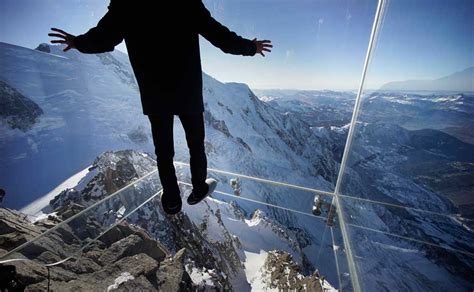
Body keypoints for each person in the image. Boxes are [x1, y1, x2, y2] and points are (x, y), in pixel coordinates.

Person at [49, 1, 272, 215]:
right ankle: (198, 189)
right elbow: (220, 36)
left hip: (155, 92)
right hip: (188, 89)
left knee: (164, 152)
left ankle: (172, 200)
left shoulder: (126, 4)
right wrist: (251, 47)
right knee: (196, 144)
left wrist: (78, 42)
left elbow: (104, 37)